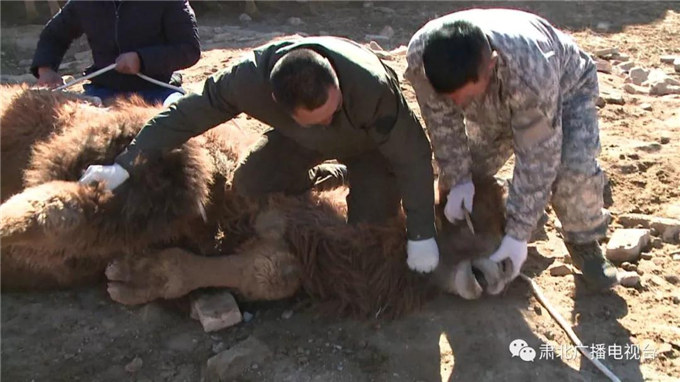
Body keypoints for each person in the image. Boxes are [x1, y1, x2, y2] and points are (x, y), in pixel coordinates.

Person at [79, 36, 440, 273]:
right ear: (277, 104)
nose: (329, 118)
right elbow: (187, 113)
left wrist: (422, 235)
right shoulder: (246, 81)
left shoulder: (373, 88)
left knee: (367, 239)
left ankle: (356, 177)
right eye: (319, 118)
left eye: (333, 109)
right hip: (299, 142)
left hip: (370, 149)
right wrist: (126, 164)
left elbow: (413, 157)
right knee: (249, 186)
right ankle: (328, 174)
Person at [405, 8, 618, 289]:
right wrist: (458, 179)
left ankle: (584, 242)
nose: (457, 105)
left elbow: (538, 157)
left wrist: (518, 235)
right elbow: (443, 126)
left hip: (565, 92)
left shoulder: (532, 72)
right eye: (451, 99)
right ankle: (468, 238)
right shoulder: (423, 59)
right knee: (467, 174)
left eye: (464, 97)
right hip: (490, 105)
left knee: (572, 170)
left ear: (491, 66)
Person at [30, 0, 200, 105]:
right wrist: (45, 69)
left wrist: (142, 60)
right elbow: (54, 35)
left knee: (181, 131)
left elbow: (189, 49)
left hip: (158, 90)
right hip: (104, 90)